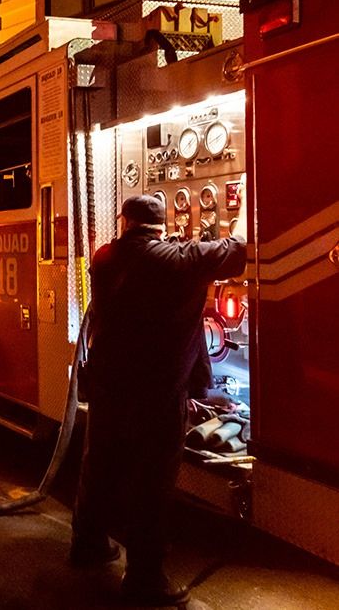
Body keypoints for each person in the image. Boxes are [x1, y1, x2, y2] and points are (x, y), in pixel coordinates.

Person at [71, 193, 247, 606]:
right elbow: (236, 250)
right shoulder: (177, 260)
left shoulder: (104, 258)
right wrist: (242, 202)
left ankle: (87, 543)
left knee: (99, 464)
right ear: (159, 225)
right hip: (157, 392)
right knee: (151, 482)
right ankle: (145, 577)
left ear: (125, 223)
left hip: (109, 385)